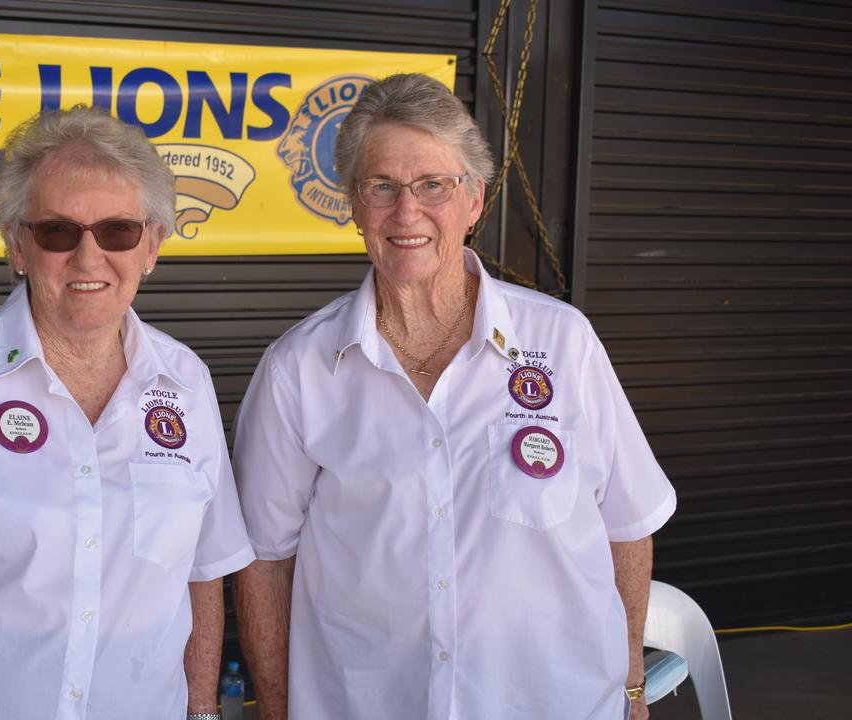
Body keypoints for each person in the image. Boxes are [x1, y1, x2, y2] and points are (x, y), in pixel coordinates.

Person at [231, 73, 676, 720]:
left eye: (433, 185)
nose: (406, 212)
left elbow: (628, 526)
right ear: (353, 205)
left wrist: (633, 688)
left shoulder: (562, 342)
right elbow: (266, 565)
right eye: (381, 186)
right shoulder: (298, 369)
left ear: (475, 201)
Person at [0, 105, 254, 720]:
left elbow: (201, 573)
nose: (89, 257)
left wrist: (202, 711)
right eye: (58, 231)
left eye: (117, 231)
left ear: (152, 246)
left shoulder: (186, 382)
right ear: (17, 245)